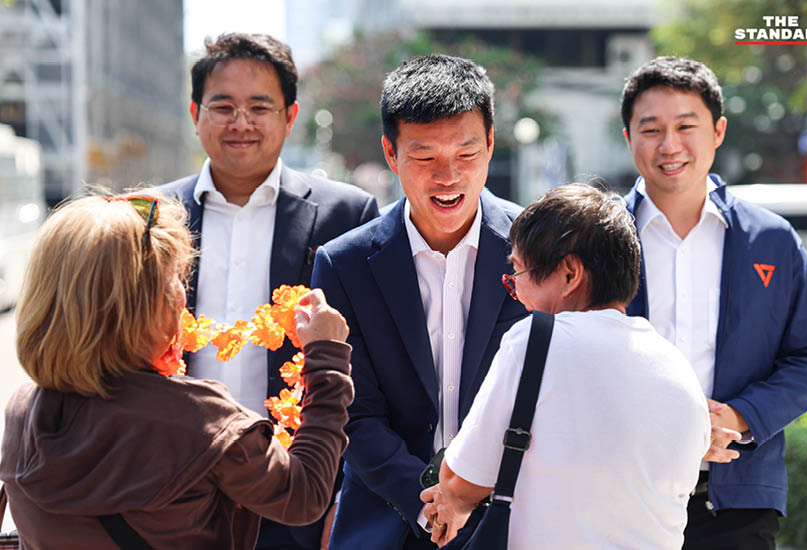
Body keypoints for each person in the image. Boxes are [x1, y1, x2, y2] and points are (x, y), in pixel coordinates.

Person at [0, 193, 354, 549]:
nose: (183, 296)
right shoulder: (200, 420)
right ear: (142, 308)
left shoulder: (23, 410)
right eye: (175, 280)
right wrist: (327, 357)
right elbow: (304, 495)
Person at [158, 33, 378, 550]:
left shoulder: (347, 216)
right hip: (172, 488)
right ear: (196, 113)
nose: (241, 122)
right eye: (223, 106)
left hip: (296, 484)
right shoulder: (152, 216)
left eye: (260, 106)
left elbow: (368, 367)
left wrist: (345, 496)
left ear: (290, 115)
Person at [311, 54, 529, 550]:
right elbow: (355, 414)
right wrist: (431, 503)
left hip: (514, 521)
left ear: (492, 144)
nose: (447, 176)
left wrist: (471, 497)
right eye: (425, 157)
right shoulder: (343, 264)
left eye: (467, 154)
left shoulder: (538, 251)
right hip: (387, 521)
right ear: (391, 153)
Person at [620, 56, 807, 549]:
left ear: (717, 131)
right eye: (651, 129)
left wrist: (738, 418)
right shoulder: (596, 238)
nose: (669, 145)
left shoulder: (771, 240)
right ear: (629, 137)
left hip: (737, 498)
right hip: (621, 491)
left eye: (686, 126)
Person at [419, 183, 711, 549]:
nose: (519, 295)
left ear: (570, 273)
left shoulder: (536, 341)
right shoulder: (678, 369)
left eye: (519, 276)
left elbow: (462, 483)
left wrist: (449, 499)